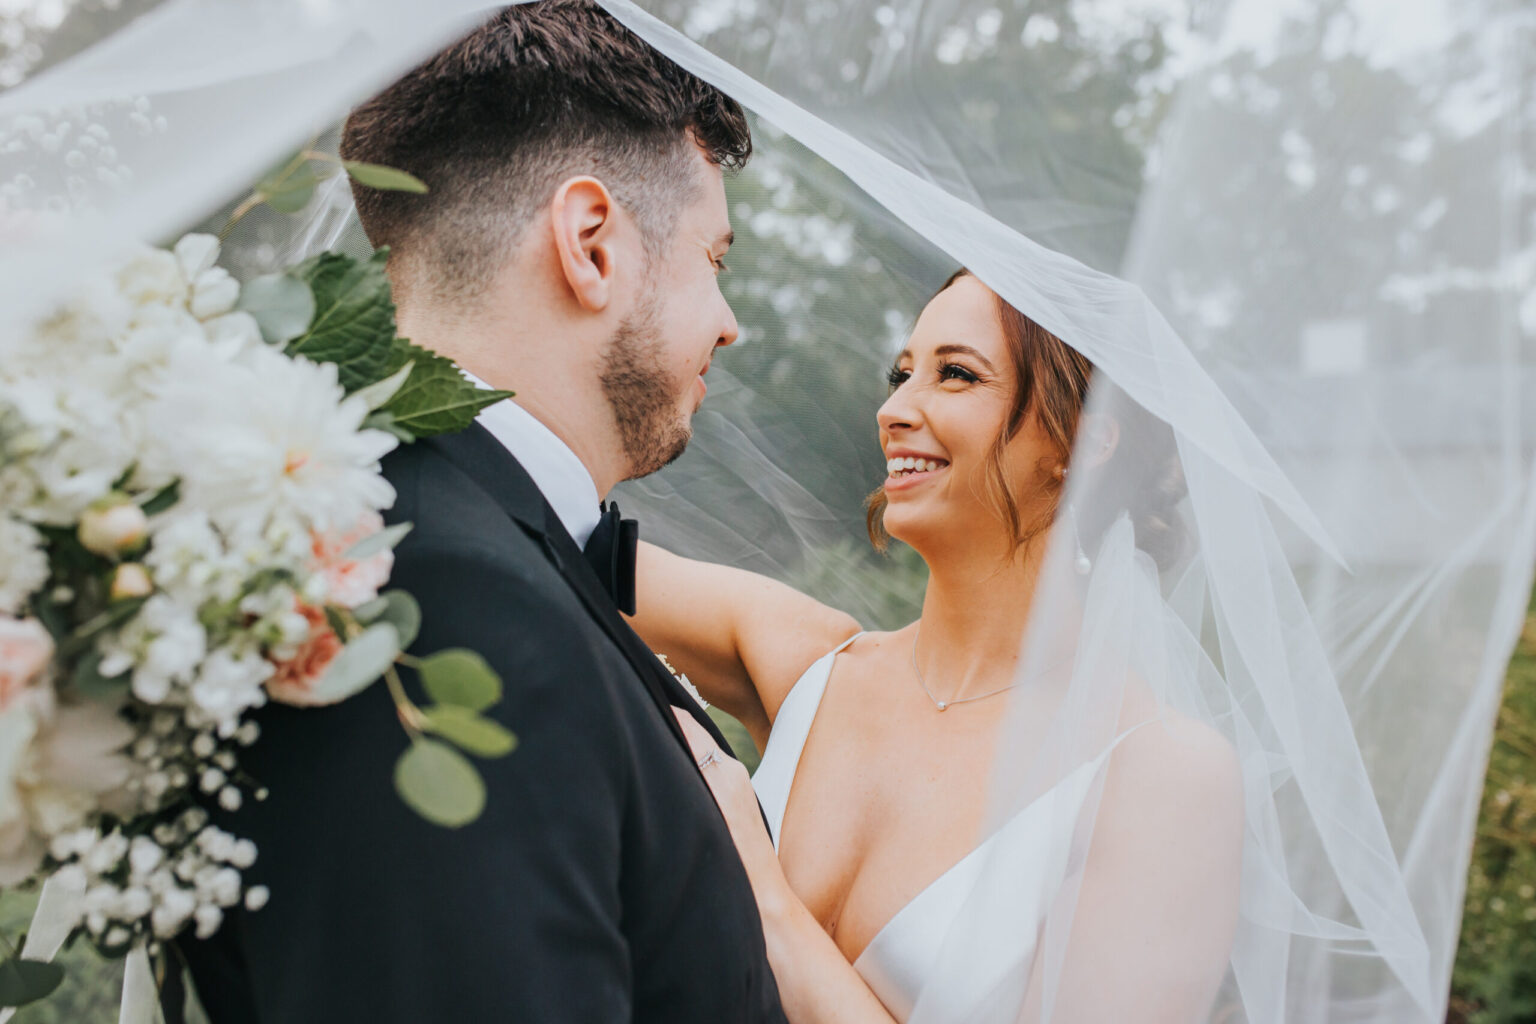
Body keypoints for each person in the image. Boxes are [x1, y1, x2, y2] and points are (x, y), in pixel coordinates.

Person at [178, 4, 787, 1021]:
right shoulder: (441, 602)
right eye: (714, 261)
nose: (727, 323)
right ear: (591, 242)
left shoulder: (415, 536)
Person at [630, 270, 1246, 1023]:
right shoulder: (807, 664)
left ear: (1083, 442)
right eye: (902, 373)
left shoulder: (1161, 774)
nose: (894, 409)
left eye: (956, 375)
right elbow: (538, 519)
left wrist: (765, 900)